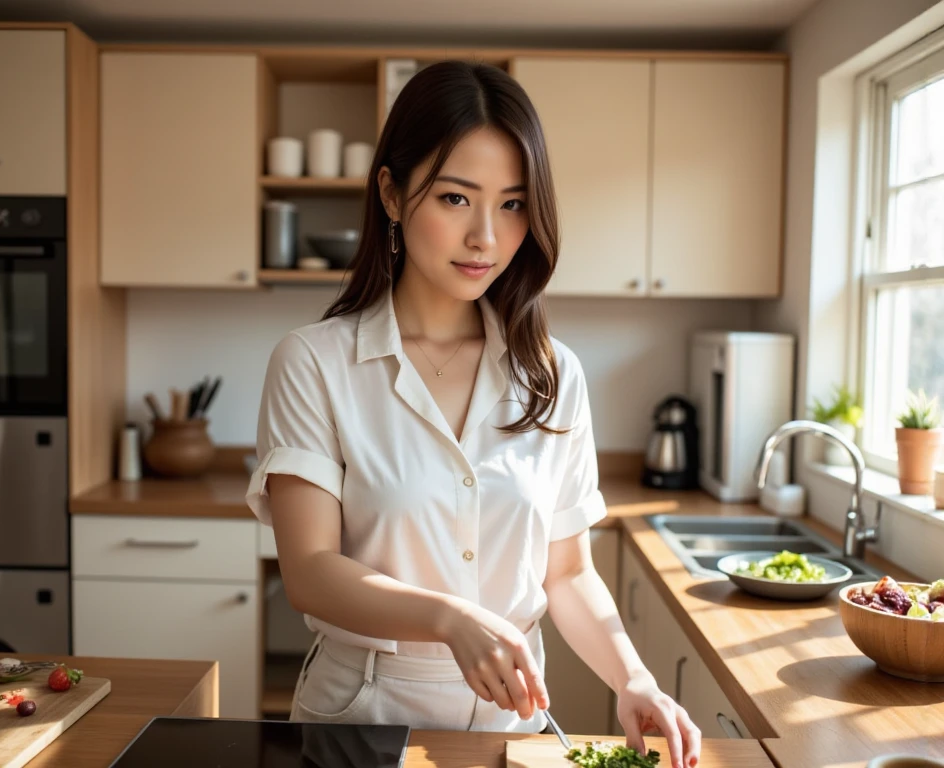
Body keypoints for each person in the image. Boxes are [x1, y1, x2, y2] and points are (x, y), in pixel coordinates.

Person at [247, 60, 701, 768]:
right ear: (393, 195)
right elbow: (308, 569)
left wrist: (632, 677)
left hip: (508, 727)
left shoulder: (552, 374)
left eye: (513, 204)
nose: (486, 237)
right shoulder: (314, 362)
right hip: (359, 717)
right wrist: (449, 618)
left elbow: (568, 573)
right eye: (457, 199)